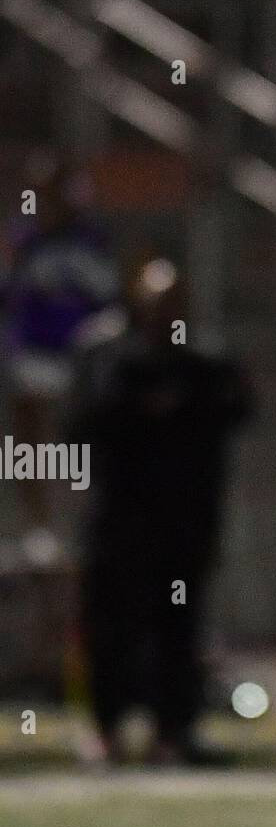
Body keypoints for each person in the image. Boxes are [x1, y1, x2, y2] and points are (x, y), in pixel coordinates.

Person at [70, 257, 251, 764]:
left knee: (178, 632)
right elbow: (83, 422)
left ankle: (172, 732)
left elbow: (235, 409)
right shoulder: (107, 357)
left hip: (183, 528)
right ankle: (107, 730)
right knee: (112, 632)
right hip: (120, 526)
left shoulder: (203, 364)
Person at [2, 156, 118, 565]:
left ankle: (75, 524)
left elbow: (107, 302)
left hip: (76, 365)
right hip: (33, 356)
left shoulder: (92, 242)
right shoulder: (27, 241)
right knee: (29, 442)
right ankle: (38, 528)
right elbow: (12, 296)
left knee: (75, 446)